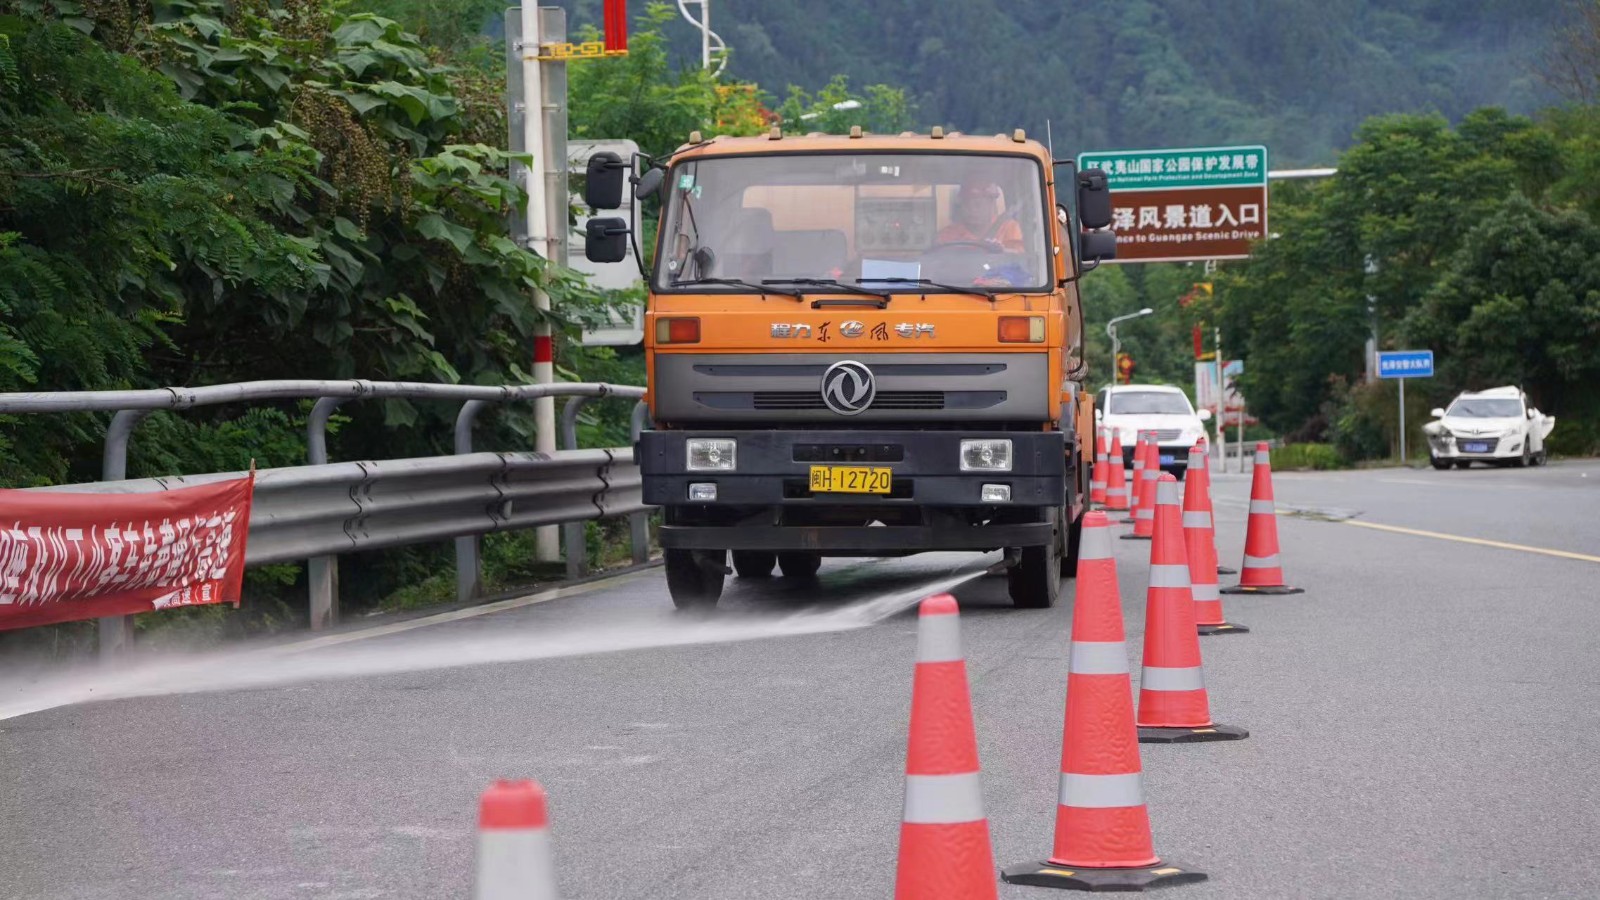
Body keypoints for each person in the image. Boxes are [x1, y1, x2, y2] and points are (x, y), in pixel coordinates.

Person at [936, 181, 1025, 252]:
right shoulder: (948, 234)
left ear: (991, 204)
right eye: (967, 205)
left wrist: (1001, 251)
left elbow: (1019, 257)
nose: (972, 210)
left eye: (978, 204)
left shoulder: (1009, 228)